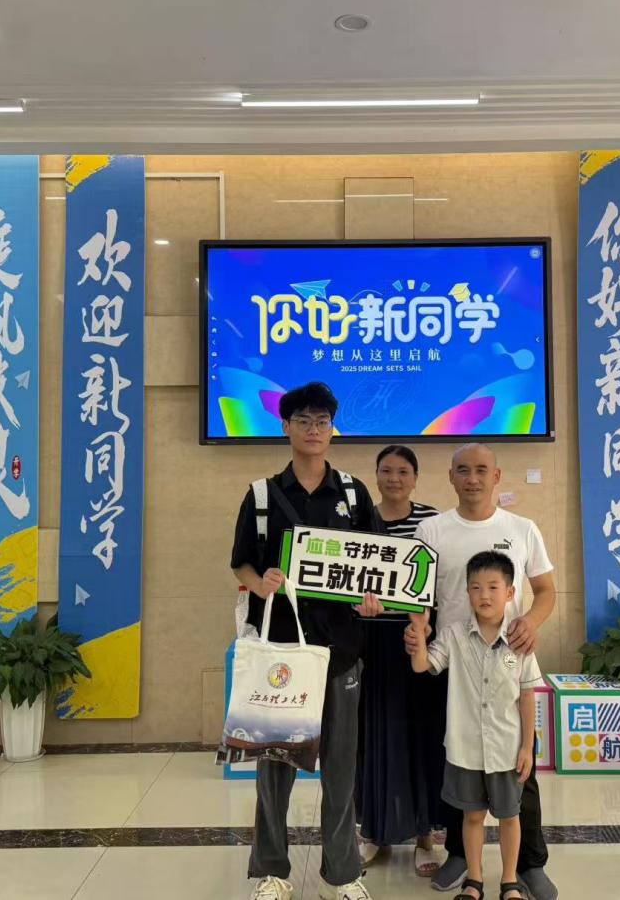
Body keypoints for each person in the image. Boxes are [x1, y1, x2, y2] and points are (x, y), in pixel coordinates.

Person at [230, 382, 385, 900]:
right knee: (275, 768)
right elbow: (241, 564)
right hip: (281, 655)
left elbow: (377, 565)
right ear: (286, 427)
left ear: (332, 429)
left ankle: (342, 875)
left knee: (341, 770)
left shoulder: (354, 494)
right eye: (303, 420)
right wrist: (260, 583)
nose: (314, 429)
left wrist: (372, 597)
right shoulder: (261, 496)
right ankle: (272, 872)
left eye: (322, 421)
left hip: (342, 653)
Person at [407, 444, 559, 900]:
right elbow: (416, 594)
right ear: (451, 477)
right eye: (463, 470)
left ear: (496, 476)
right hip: (453, 661)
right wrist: (419, 630)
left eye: (480, 470)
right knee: (458, 763)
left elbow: (546, 590)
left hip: (507, 659)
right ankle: (460, 856)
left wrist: (530, 622)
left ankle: (528, 864)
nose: (472, 478)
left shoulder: (522, 528)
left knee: (519, 771)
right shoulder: (432, 529)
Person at [408, 551, 540, 900]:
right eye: (476, 587)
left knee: (510, 817)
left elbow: (527, 695)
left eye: (493, 587)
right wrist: (418, 630)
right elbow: (422, 666)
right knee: (472, 817)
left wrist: (527, 747)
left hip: (506, 749)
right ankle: (475, 881)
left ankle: (509, 881)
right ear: (467, 592)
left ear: (510, 592)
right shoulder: (453, 635)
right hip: (465, 749)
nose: (484, 595)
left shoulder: (519, 641)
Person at [355, 445, 444, 876]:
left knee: (421, 736)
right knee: (374, 735)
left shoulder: (432, 522)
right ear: (375, 475)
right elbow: (343, 581)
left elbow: (442, 581)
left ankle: (425, 836)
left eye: (403, 471)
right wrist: (358, 605)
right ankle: (373, 832)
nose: (394, 478)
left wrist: (424, 628)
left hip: (419, 640)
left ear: (415, 478)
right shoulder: (359, 521)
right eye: (386, 470)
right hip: (371, 642)